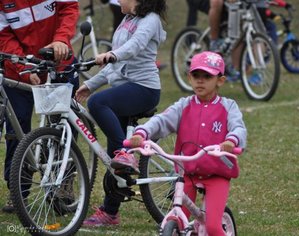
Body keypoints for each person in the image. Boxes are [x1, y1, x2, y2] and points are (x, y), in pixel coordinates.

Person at [113, 51, 247, 235]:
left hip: (217, 173)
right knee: (178, 220)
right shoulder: (184, 106)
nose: (200, 81)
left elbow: (238, 127)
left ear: (220, 81)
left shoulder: (227, 106)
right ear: (189, 78)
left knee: (214, 227)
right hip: (188, 173)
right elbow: (161, 120)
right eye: (196, 75)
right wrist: (142, 132)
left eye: (207, 76)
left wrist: (232, 140)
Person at [76, 0, 167, 227]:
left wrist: (112, 54)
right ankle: (110, 212)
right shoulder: (127, 21)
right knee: (113, 157)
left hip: (144, 89)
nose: (118, 1)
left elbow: (133, 47)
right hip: (124, 88)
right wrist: (91, 84)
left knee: (98, 104)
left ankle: (126, 152)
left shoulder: (151, 20)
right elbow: (114, 65)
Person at [0, 0, 79, 213]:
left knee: (63, 126)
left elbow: (69, 7)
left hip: (59, 61)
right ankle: (18, 189)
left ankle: (63, 183)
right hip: (18, 67)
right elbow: (3, 35)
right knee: (17, 129)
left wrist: (61, 39)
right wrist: (24, 65)